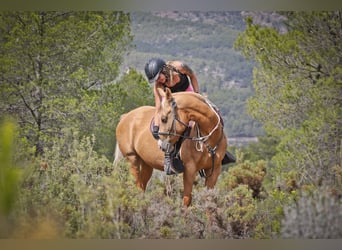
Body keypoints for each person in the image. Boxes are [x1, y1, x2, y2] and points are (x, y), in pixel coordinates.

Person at [145, 58, 199, 174]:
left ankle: (219, 150)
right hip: (172, 100)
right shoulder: (158, 85)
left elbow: (193, 76)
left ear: (164, 69)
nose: (159, 80)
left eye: (159, 76)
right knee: (174, 126)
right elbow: (159, 107)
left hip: (188, 92)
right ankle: (169, 158)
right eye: (156, 79)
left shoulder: (180, 67)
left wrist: (197, 95)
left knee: (209, 111)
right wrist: (156, 126)